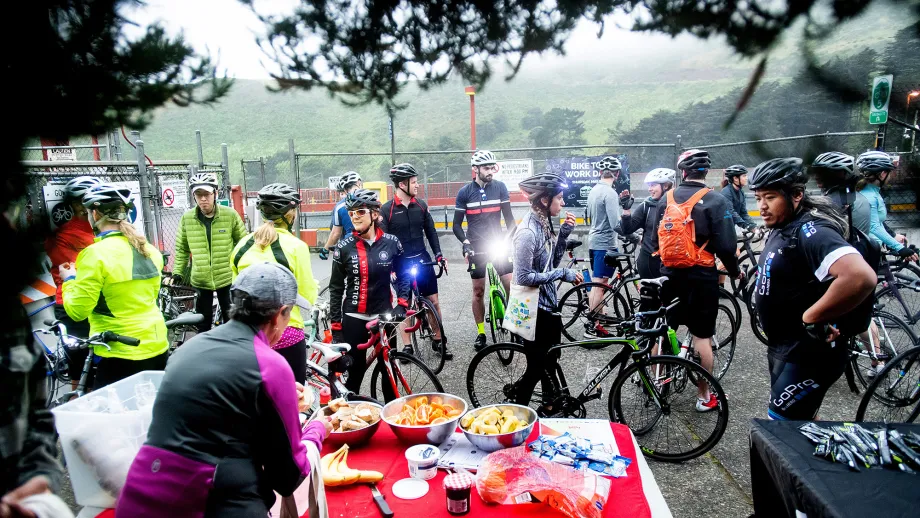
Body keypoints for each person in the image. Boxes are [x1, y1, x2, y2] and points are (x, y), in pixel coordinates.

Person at [116, 262, 330, 518]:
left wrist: (278, 402)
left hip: (139, 497)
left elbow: (213, 421)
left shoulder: (188, 349)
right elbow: (287, 477)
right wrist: (316, 430)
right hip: (212, 502)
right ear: (279, 315)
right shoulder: (271, 366)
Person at [749, 158, 877, 420]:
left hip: (807, 352)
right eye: (759, 197)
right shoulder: (783, 225)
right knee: (801, 421)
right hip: (783, 345)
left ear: (796, 195)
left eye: (770, 197)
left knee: (782, 426)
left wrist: (812, 317)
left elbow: (859, 276)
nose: (762, 206)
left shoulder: (811, 230)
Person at [652, 149, 740, 412]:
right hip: (701, 275)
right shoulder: (715, 200)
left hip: (667, 273)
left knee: (662, 329)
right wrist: (734, 271)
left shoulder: (665, 199)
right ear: (706, 173)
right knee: (703, 336)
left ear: (683, 172)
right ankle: (703, 397)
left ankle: (655, 383)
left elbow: (655, 237)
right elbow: (726, 245)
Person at [60, 183, 169, 389]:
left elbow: (77, 311)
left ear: (94, 213)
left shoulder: (95, 254)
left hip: (119, 349)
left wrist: (69, 280)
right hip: (156, 343)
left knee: (116, 417)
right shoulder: (150, 250)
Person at [231, 183, 318, 384]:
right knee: (295, 400)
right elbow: (306, 294)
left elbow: (236, 288)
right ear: (290, 214)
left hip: (248, 336)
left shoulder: (241, 246)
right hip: (285, 333)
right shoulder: (296, 247)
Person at [329, 189, 410, 400]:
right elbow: (336, 288)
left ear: (374, 214)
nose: (354, 216)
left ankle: (392, 422)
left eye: (360, 212)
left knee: (388, 371)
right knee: (354, 375)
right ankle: (353, 422)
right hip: (354, 317)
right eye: (351, 212)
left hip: (384, 316)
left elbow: (404, 275)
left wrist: (402, 303)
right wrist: (336, 327)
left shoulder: (392, 242)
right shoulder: (344, 247)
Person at [511, 173, 582, 409]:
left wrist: (562, 235)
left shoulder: (544, 225)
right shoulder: (528, 232)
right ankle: (519, 416)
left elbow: (550, 264)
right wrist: (562, 274)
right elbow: (523, 277)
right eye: (559, 198)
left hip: (549, 305)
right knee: (536, 368)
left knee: (552, 359)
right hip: (534, 309)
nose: (562, 203)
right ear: (544, 200)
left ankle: (550, 406)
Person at [379, 163, 451, 360]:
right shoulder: (387, 210)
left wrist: (438, 255)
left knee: (433, 302)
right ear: (402, 184)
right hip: (400, 264)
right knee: (406, 305)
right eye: (414, 182)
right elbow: (384, 241)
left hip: (422, 258)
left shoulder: (421, 205)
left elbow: (431, 232)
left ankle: (438, 340)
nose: (417, 186)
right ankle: (408, 346)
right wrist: (390, 267)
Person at [453, 150, 517, 350]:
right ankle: (481, 332)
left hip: (498, 244)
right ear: (476, 169)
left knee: (510, 284)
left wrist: (508, 240)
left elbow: (511, 222)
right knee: (478, 291)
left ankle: (515, 326)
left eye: (492, 167)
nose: (490, 171)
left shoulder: (500, 188)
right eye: (486, 168)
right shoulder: (465, 192)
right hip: (477, 248)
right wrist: (465, 243)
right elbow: (456, 225)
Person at [172, 172, 247, 332]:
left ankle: (231, 352)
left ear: (215, 193)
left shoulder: (230, 215)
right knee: (202, 323)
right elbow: (182, 249)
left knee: (232, 321)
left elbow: (243, 244)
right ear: (194, 196)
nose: (203, 199)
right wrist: (178, 272)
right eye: (199, 195)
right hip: (201, 279)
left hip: (226, 277)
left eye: (206, 194)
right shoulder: (187, 218)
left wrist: (243, 269)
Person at [44, 176, 99, 390]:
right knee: (79, 365)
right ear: (77, 205)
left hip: (94, 299)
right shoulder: (64, 234)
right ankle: (79, 401)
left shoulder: (97, 230)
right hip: (71, 300)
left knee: (98, 359)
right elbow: (71, 269)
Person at [583, 156, 631, 337]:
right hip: (605, 244)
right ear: (617, 174)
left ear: (599, 173)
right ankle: (593, 326)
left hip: (594, 241)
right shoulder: (609, 193)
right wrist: (633, 235)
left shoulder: (594, 190)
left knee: (599, 284)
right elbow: (615, 224)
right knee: (599, 285)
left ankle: (599, 319)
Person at [856, 151, 918, 262]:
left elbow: (878, 223)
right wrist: (899, 248)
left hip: (873, 248)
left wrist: (891, 238)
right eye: (889, 172)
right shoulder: (869, 196)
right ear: (883, 174)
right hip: (867, 252)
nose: (890, 176)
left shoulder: (872, 192)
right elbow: (874, 227)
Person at [617, 168, 676, 281]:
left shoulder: (678, 205)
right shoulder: (647, 205)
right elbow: (627, 229)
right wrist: (626, 210)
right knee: (652, 298)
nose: (650, 189)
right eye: (649, 185)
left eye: (653, 185)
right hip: (650, 260)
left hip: (673, 260)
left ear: (666, 185)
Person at [810, 152, 870, 235]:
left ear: (840, 174)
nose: (816, 177)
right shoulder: (853, 196)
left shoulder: (837, 200)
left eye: (822, 173)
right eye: (815, 172)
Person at [320, 171, 362, 260]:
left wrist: (325, 249)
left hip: (349, 247)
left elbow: (336, 233)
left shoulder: (340, 206)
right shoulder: (372, 201)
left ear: (345, 189)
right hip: (372, 247)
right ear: (359, 183)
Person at [720, 165, 758, 231]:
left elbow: (743, 213)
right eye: (744, 176)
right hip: (721, 228)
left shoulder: (741, 192)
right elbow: (730, 212)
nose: (746, 178)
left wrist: (753, 225)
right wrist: (746, 226)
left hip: (730, 228)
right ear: (735, 178)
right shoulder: (726, 192)